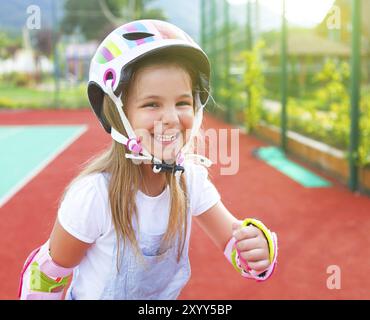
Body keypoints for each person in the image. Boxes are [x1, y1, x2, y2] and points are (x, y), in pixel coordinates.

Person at [19, 19, 278, 300]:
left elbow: (234, 240)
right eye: (152, 104)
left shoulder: (190, 179)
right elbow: (47, 275)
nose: (171, 118)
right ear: (119, 115)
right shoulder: (94, 196)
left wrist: (256, 246)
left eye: (182, 102)